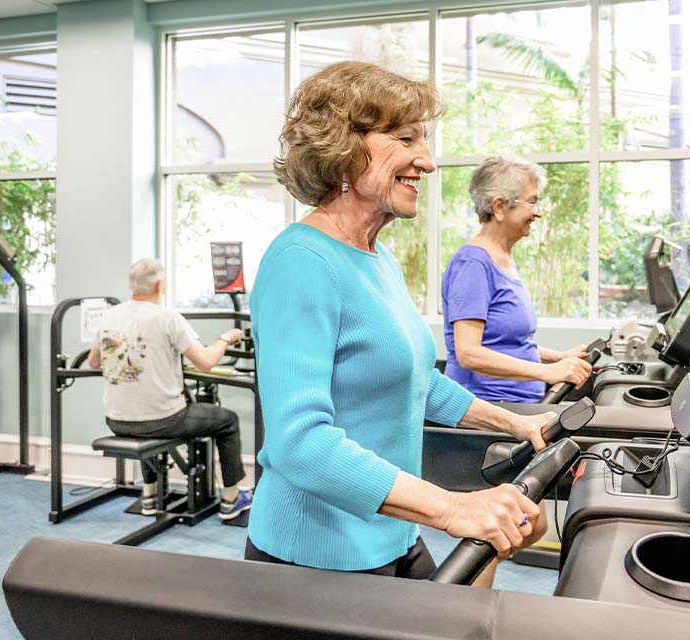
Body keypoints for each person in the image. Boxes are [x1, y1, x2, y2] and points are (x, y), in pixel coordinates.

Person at [246, 61, 556, 583]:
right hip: (317, 553)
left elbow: (416, 379)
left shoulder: (377, 257)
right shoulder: (301, 261)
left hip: (392, 534)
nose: (427, 162)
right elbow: (299, 443)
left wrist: (516, 423)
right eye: (406, 138)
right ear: (344, 148)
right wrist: (452, 508)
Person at [88, 259, 252, 520]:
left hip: (116, 421)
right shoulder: (167, 317)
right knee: (227, 421)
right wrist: (226, 337)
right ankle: (231, 499)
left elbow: (94, 362)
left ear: (132, 285)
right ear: (159, 285)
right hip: (164, 421)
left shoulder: (109, 316)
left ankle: (150, 495)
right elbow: (206, 362)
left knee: (144, 407)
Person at [441, 156, 593, 403]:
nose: (538, 212)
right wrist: (547, 372)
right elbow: (469, 354)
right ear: (500, 207)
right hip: (486, 406)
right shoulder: (473, 264)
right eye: (532, 202)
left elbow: (508, 344)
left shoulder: (504, 260)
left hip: (519, 404)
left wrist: (557, 358)